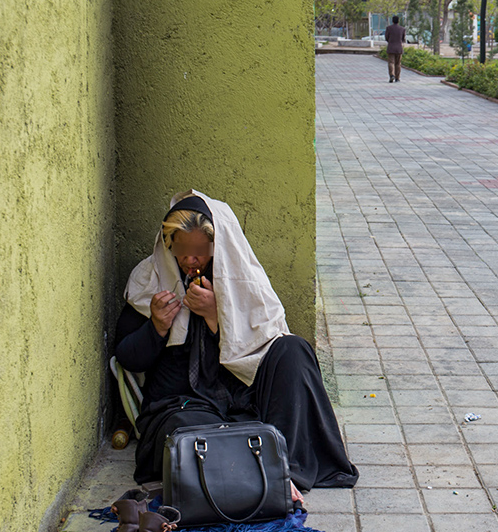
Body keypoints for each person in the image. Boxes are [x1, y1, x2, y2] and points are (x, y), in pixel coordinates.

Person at [115, 190, 359, 500]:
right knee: (189, 429)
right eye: (182, 251)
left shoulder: (240, 278)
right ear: (168, 244)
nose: (191, 260)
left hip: (245, 396)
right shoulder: (148, 279)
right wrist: (157, 327)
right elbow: (126, 357)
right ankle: (262, 475)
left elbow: (264, 341)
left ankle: (286, 468)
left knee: (294, 350)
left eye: (200, 251)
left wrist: (218, 316)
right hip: (184, 402)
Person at [384, 15, 405, 83]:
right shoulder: (402, 29)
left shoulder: (389, 28)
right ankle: (397, 77)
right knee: (398, 63)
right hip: (399, 48)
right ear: (398, 21)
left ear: (392, 21)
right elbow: (403, 39)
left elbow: (386, 37)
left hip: (391, 47)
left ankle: (391, 75)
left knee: (391, 62)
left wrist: (390, 41)